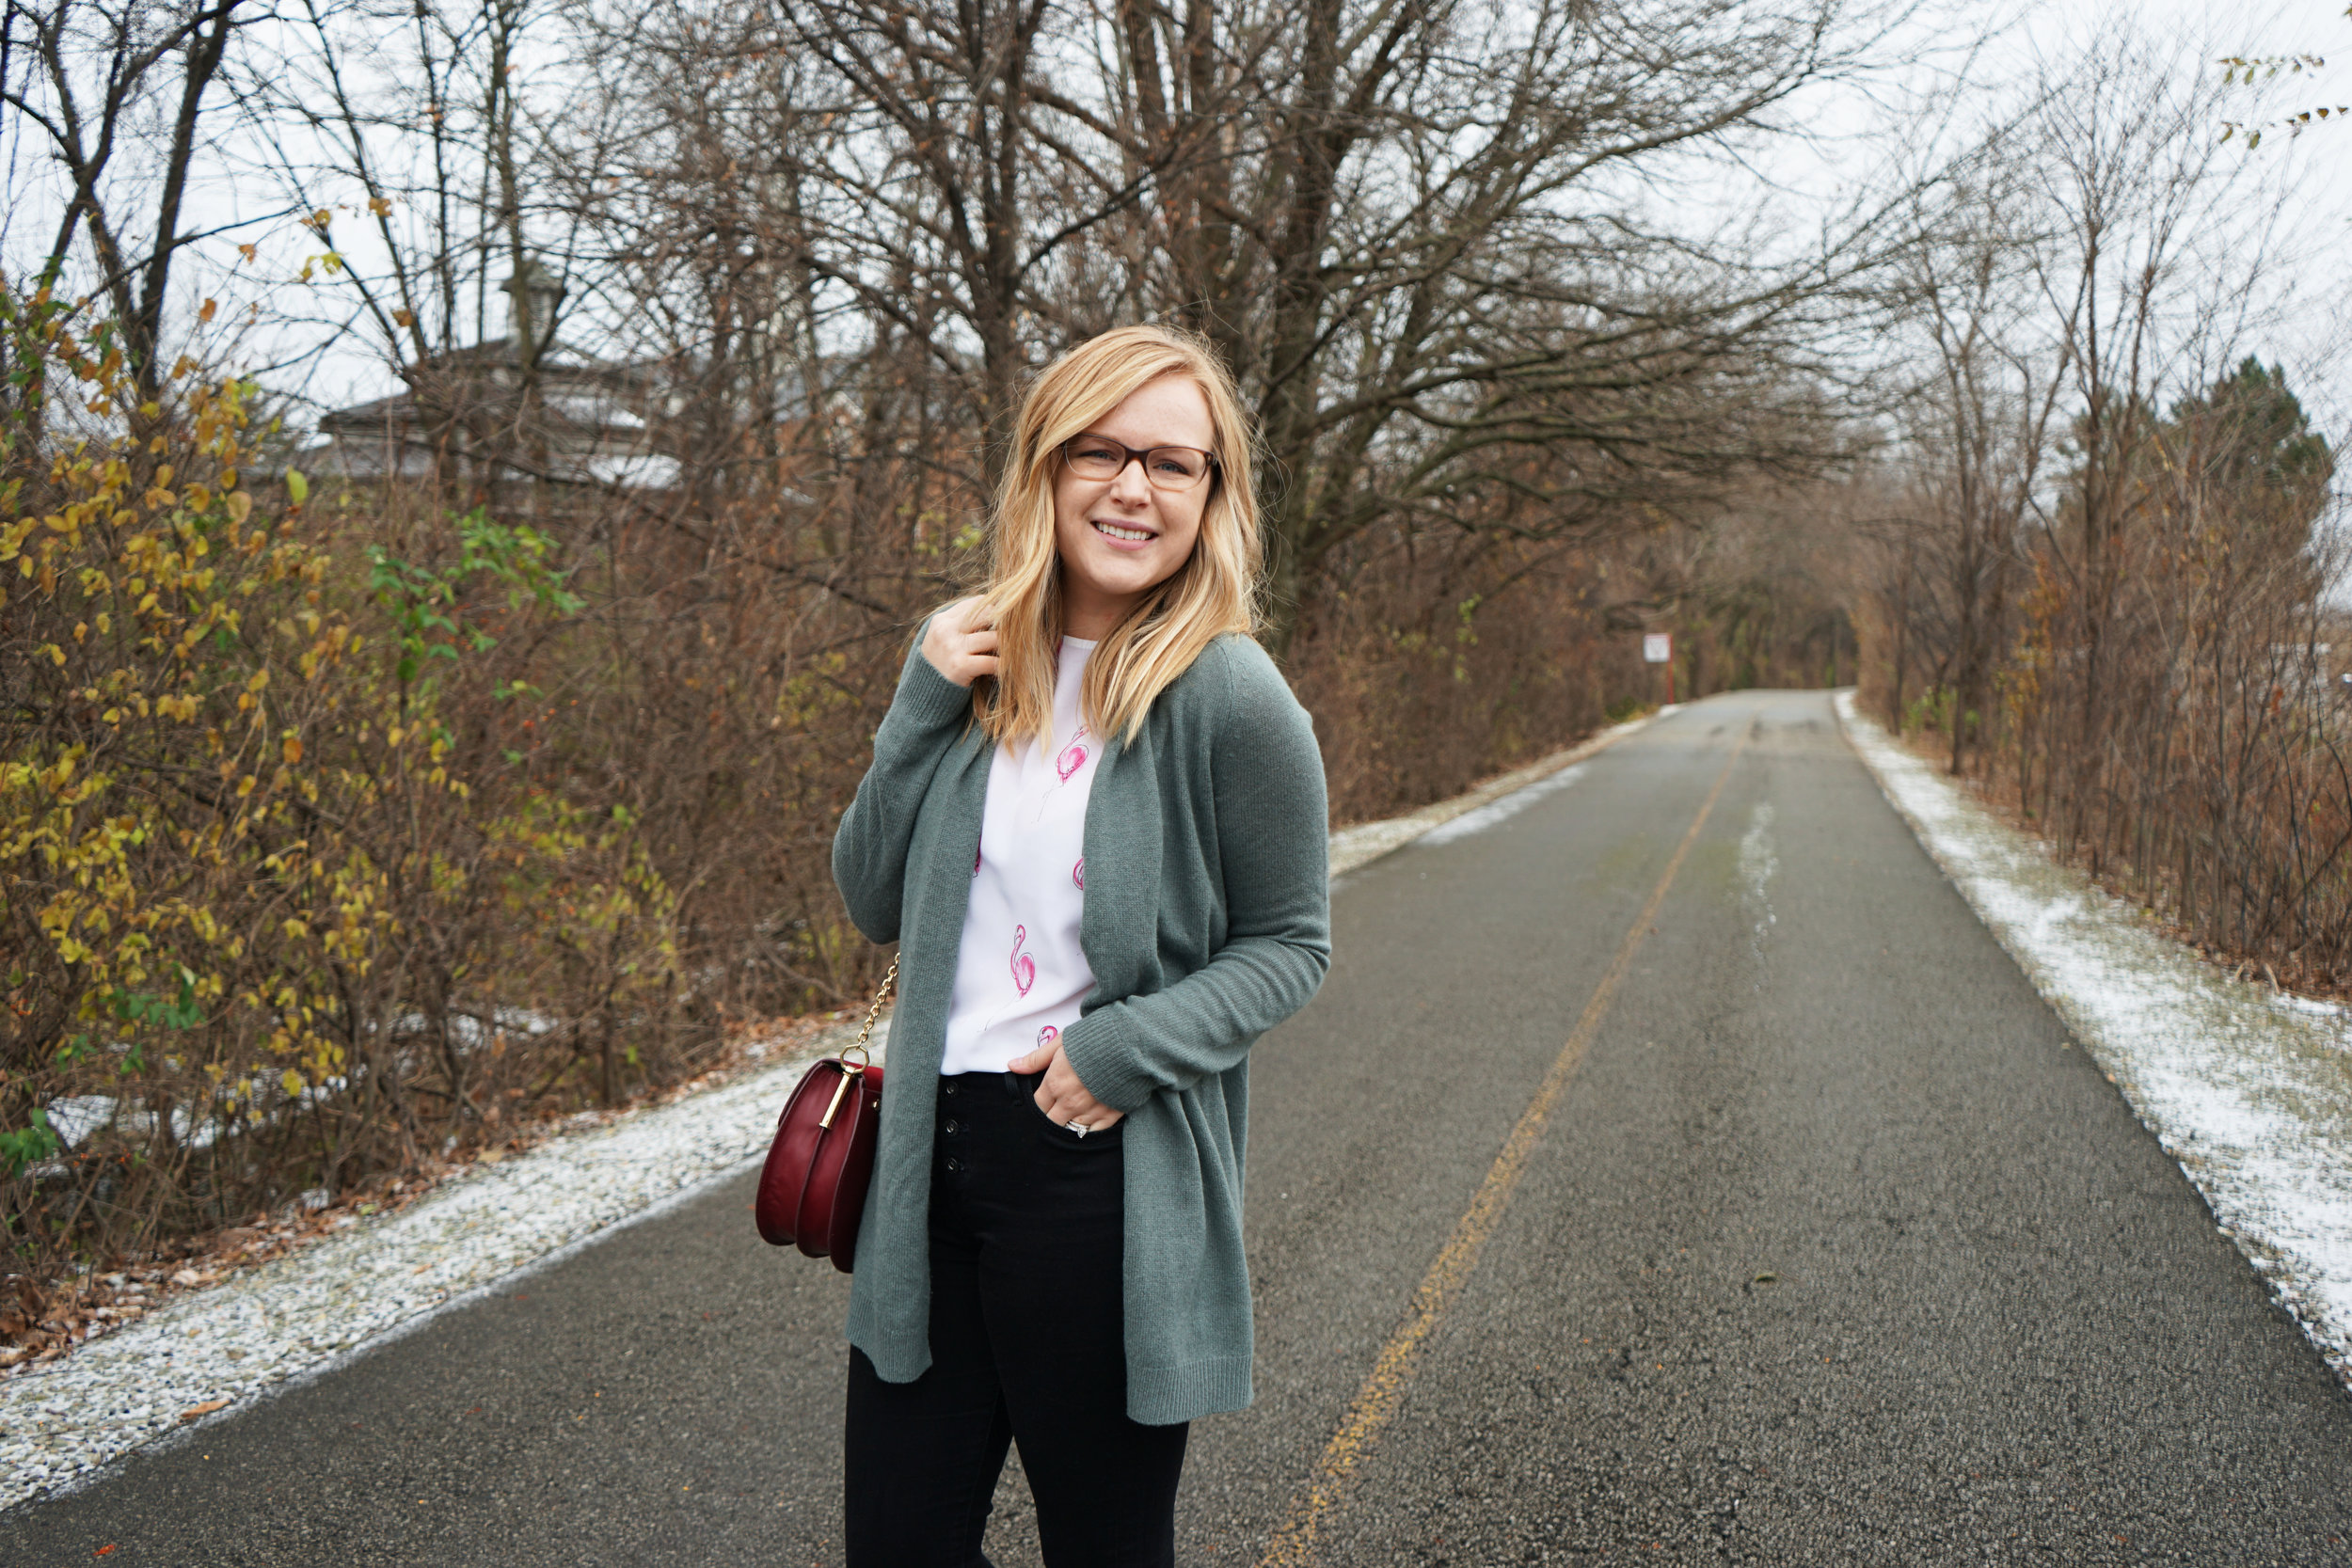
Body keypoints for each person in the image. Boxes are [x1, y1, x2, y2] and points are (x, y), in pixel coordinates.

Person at [830, 324, 1333, 1565]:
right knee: (898, 1545)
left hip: (1095, 1173)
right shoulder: (975, 666)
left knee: (1105, 1545)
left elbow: (1290, 943)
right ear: (1044, 470)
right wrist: (914, 708)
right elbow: (871, 901)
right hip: (924, 1173)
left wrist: (1123, 1050)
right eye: (1100, 451)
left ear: (1212, 495)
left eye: (1173, 463)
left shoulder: (1226, 693)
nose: (1132, 488)